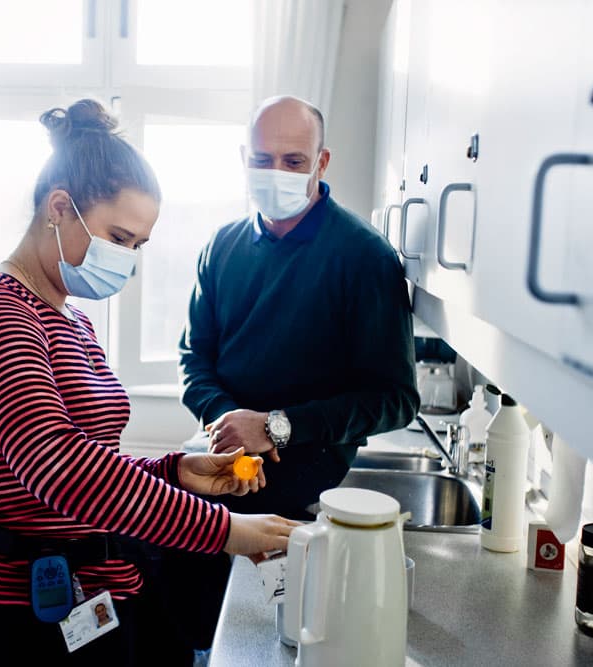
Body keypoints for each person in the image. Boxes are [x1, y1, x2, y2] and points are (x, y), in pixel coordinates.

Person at [0, 98, 297, 667]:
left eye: (138, 246)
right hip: (27, 610)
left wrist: (176, 470)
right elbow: (61, 469)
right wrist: (226, 531)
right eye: (119, 238)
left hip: (100, 585)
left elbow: (95, 457)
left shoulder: (70, 316)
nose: (127, 259)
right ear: (59, 208)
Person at [171, 94, 420, 647]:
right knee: (193, 621)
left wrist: (276, 427)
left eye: (293, 161)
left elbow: (395, 397)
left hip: (305, 484)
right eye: (262, 160)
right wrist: (228, 424)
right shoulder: (222, 247)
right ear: (243, 158)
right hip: (219, 462)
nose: (276, 173)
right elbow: (194, 360)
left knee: (266, 639)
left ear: (322, 162)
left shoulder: (364, 259)